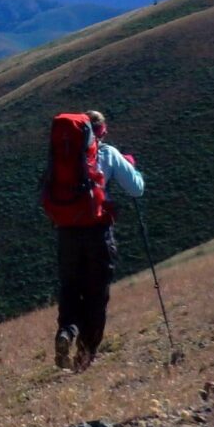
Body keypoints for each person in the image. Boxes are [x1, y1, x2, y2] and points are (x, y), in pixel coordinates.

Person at [55, 110, 144, 371]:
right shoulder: (108, 154)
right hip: (97, 233)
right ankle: (84, 356)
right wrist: (131, 167)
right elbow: (136, 188)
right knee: (96, 294)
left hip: (66, 232)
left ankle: (67, 330)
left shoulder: (63, 156)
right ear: (101, 131)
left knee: (71, 287)